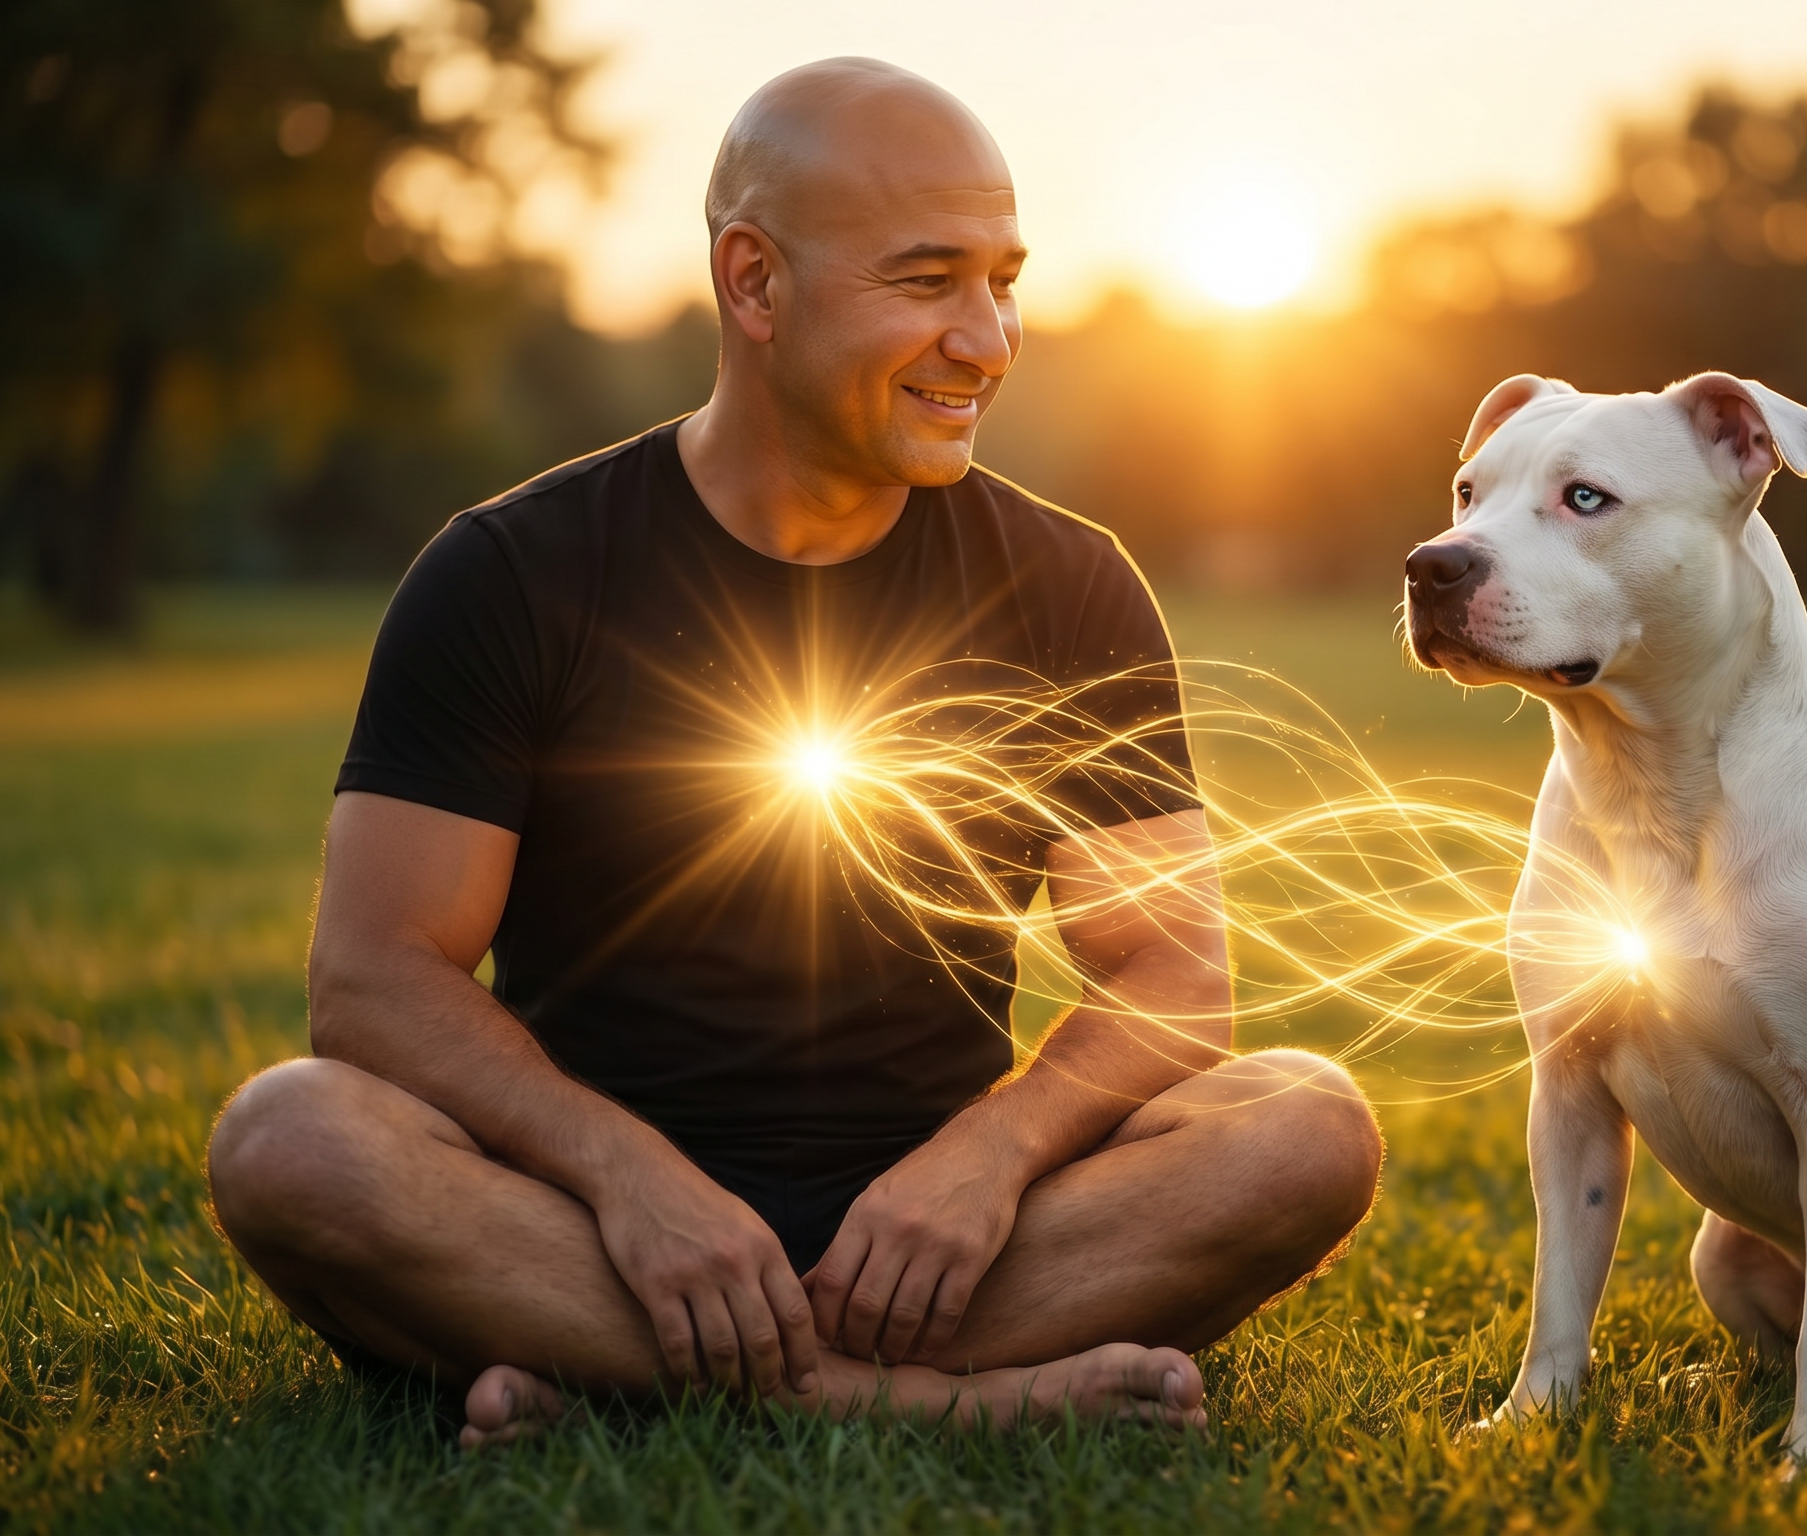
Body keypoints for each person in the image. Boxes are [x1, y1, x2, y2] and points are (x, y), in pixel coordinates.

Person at [203, 57, 1382, 1448]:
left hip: (932, 1248)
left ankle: (610, 1384)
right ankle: (935, 1411)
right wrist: (630, 1179)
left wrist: (985, 1162)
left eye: (1004, 280)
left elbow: (1176, 977)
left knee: (1307, 1124)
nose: (989, 341)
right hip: (588, 1220)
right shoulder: (510, 573)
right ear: (755, 285)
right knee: (291, 1141)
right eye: (928, 280)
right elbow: (374, 981)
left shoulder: (1068, 585)